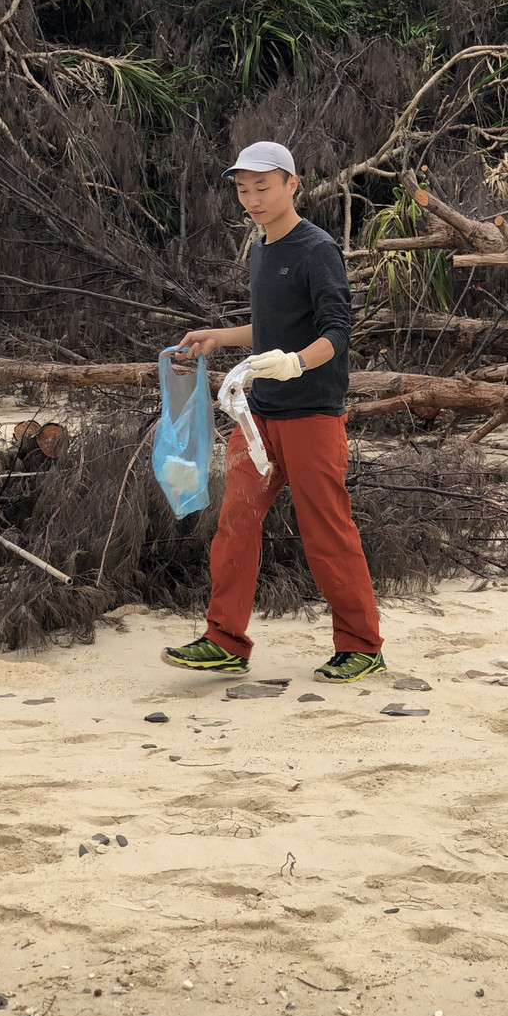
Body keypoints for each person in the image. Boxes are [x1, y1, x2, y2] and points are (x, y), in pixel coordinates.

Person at [160, 140, 385, 684]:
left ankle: (362, 646)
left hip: (312, 416)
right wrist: (219, 337)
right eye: (243, 189)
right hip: (258, 418)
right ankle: (224, 640)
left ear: (292, 184)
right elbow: (271, 330)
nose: (252, 199)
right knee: (235, 523)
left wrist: (296, 364)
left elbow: (336, 332)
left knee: (327, 531)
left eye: (263, 187)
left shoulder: (317, 248)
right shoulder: (261, 248)